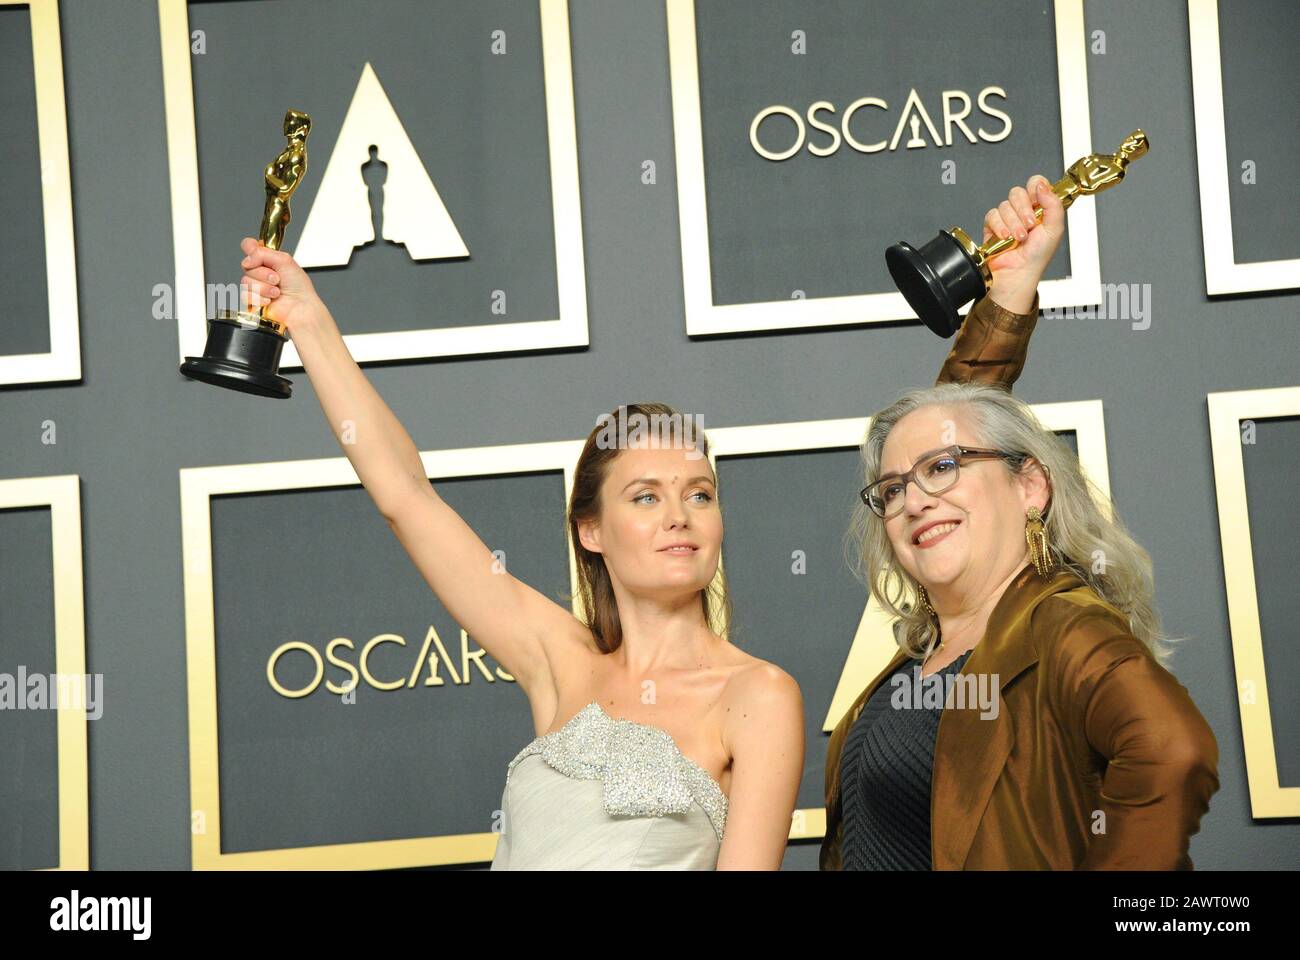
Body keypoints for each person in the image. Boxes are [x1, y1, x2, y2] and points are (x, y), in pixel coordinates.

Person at [234, 177, 1054, 870]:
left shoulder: (756, 695)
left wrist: (1009, 298)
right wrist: (308, 322)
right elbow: (405, 495)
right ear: (588, 530)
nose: (679, 516)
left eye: (699, 493)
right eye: (644, 496)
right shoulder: (553, 659)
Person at [821, 262, 1221, 867]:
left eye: (942, 467)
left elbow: (1172, 749)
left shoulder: (1061, 625)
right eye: (893, 489)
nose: (917, 499)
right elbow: (954, 417)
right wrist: (1004, 302)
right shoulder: (919, 660)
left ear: (1029, 486)